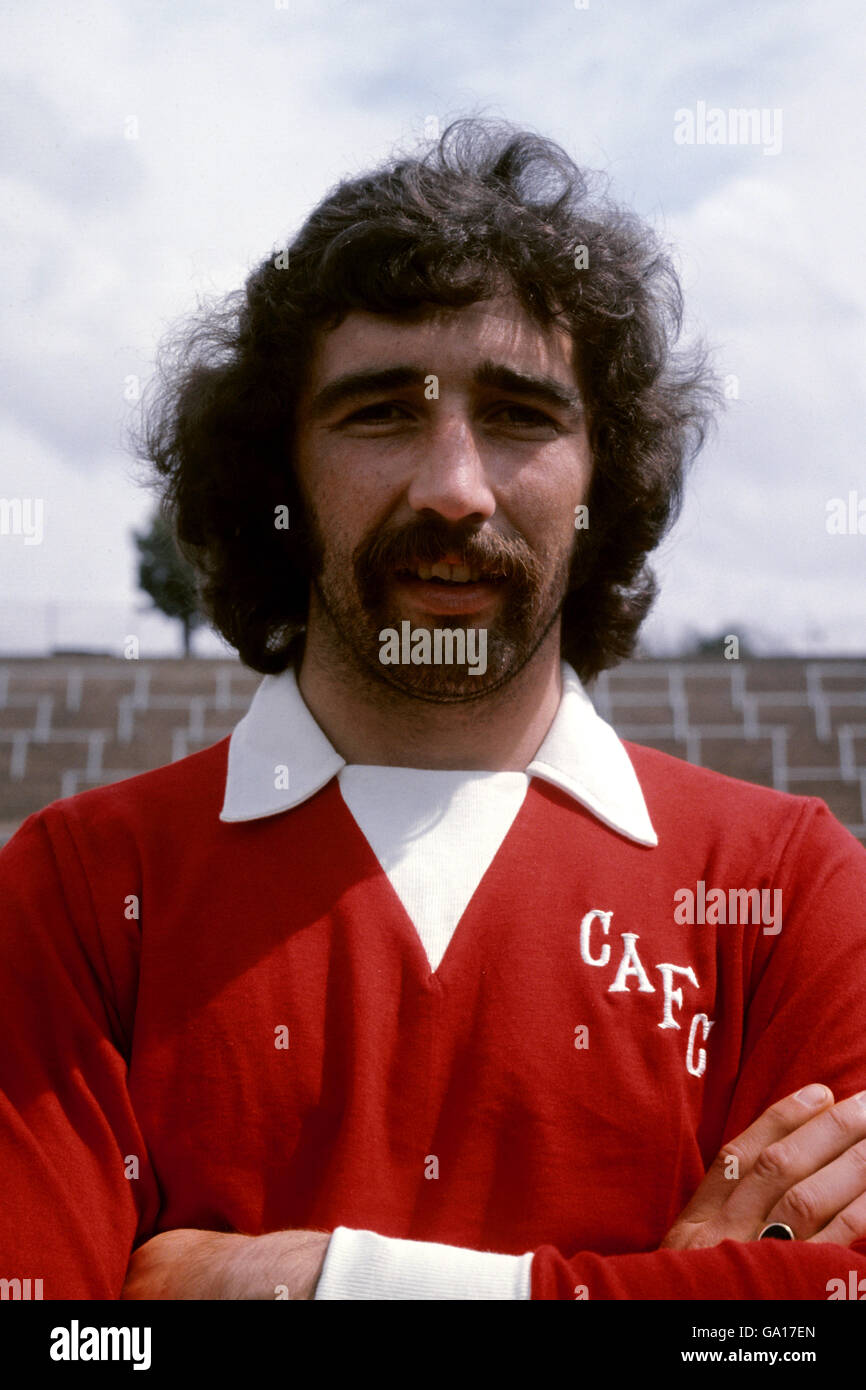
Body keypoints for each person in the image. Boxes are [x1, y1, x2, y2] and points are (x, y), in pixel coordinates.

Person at [2, 119, 865, 1303]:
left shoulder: (787, 890)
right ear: (279, 478)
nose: (452, 486)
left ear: (598, 481)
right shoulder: (78, 891)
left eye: (519, 414)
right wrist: (663, 1294)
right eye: (379, 413)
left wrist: (327, 1281)